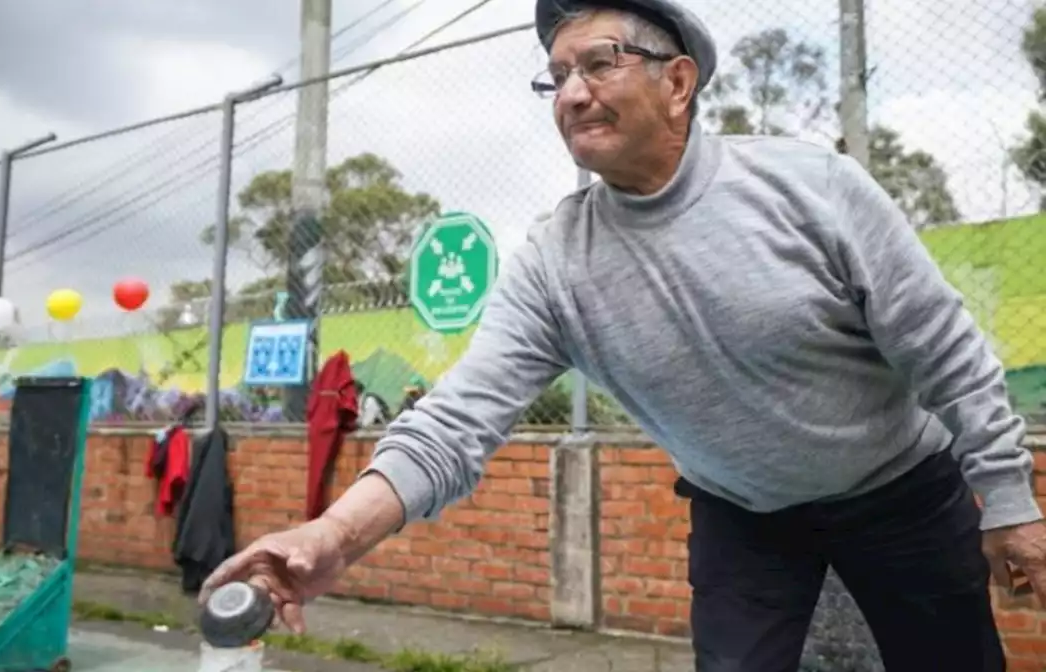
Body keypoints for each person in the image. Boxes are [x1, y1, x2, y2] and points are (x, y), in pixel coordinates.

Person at [200, 1, 1046, 669]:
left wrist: (1007, 499)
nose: (570, 92)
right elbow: (454, 424)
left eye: (598, 63)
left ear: (679, 83)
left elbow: (945, 351)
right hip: (745, 516)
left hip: (900, 488)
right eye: (556, 76)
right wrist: (330, 534)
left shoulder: (812, 188)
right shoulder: (555, 264)